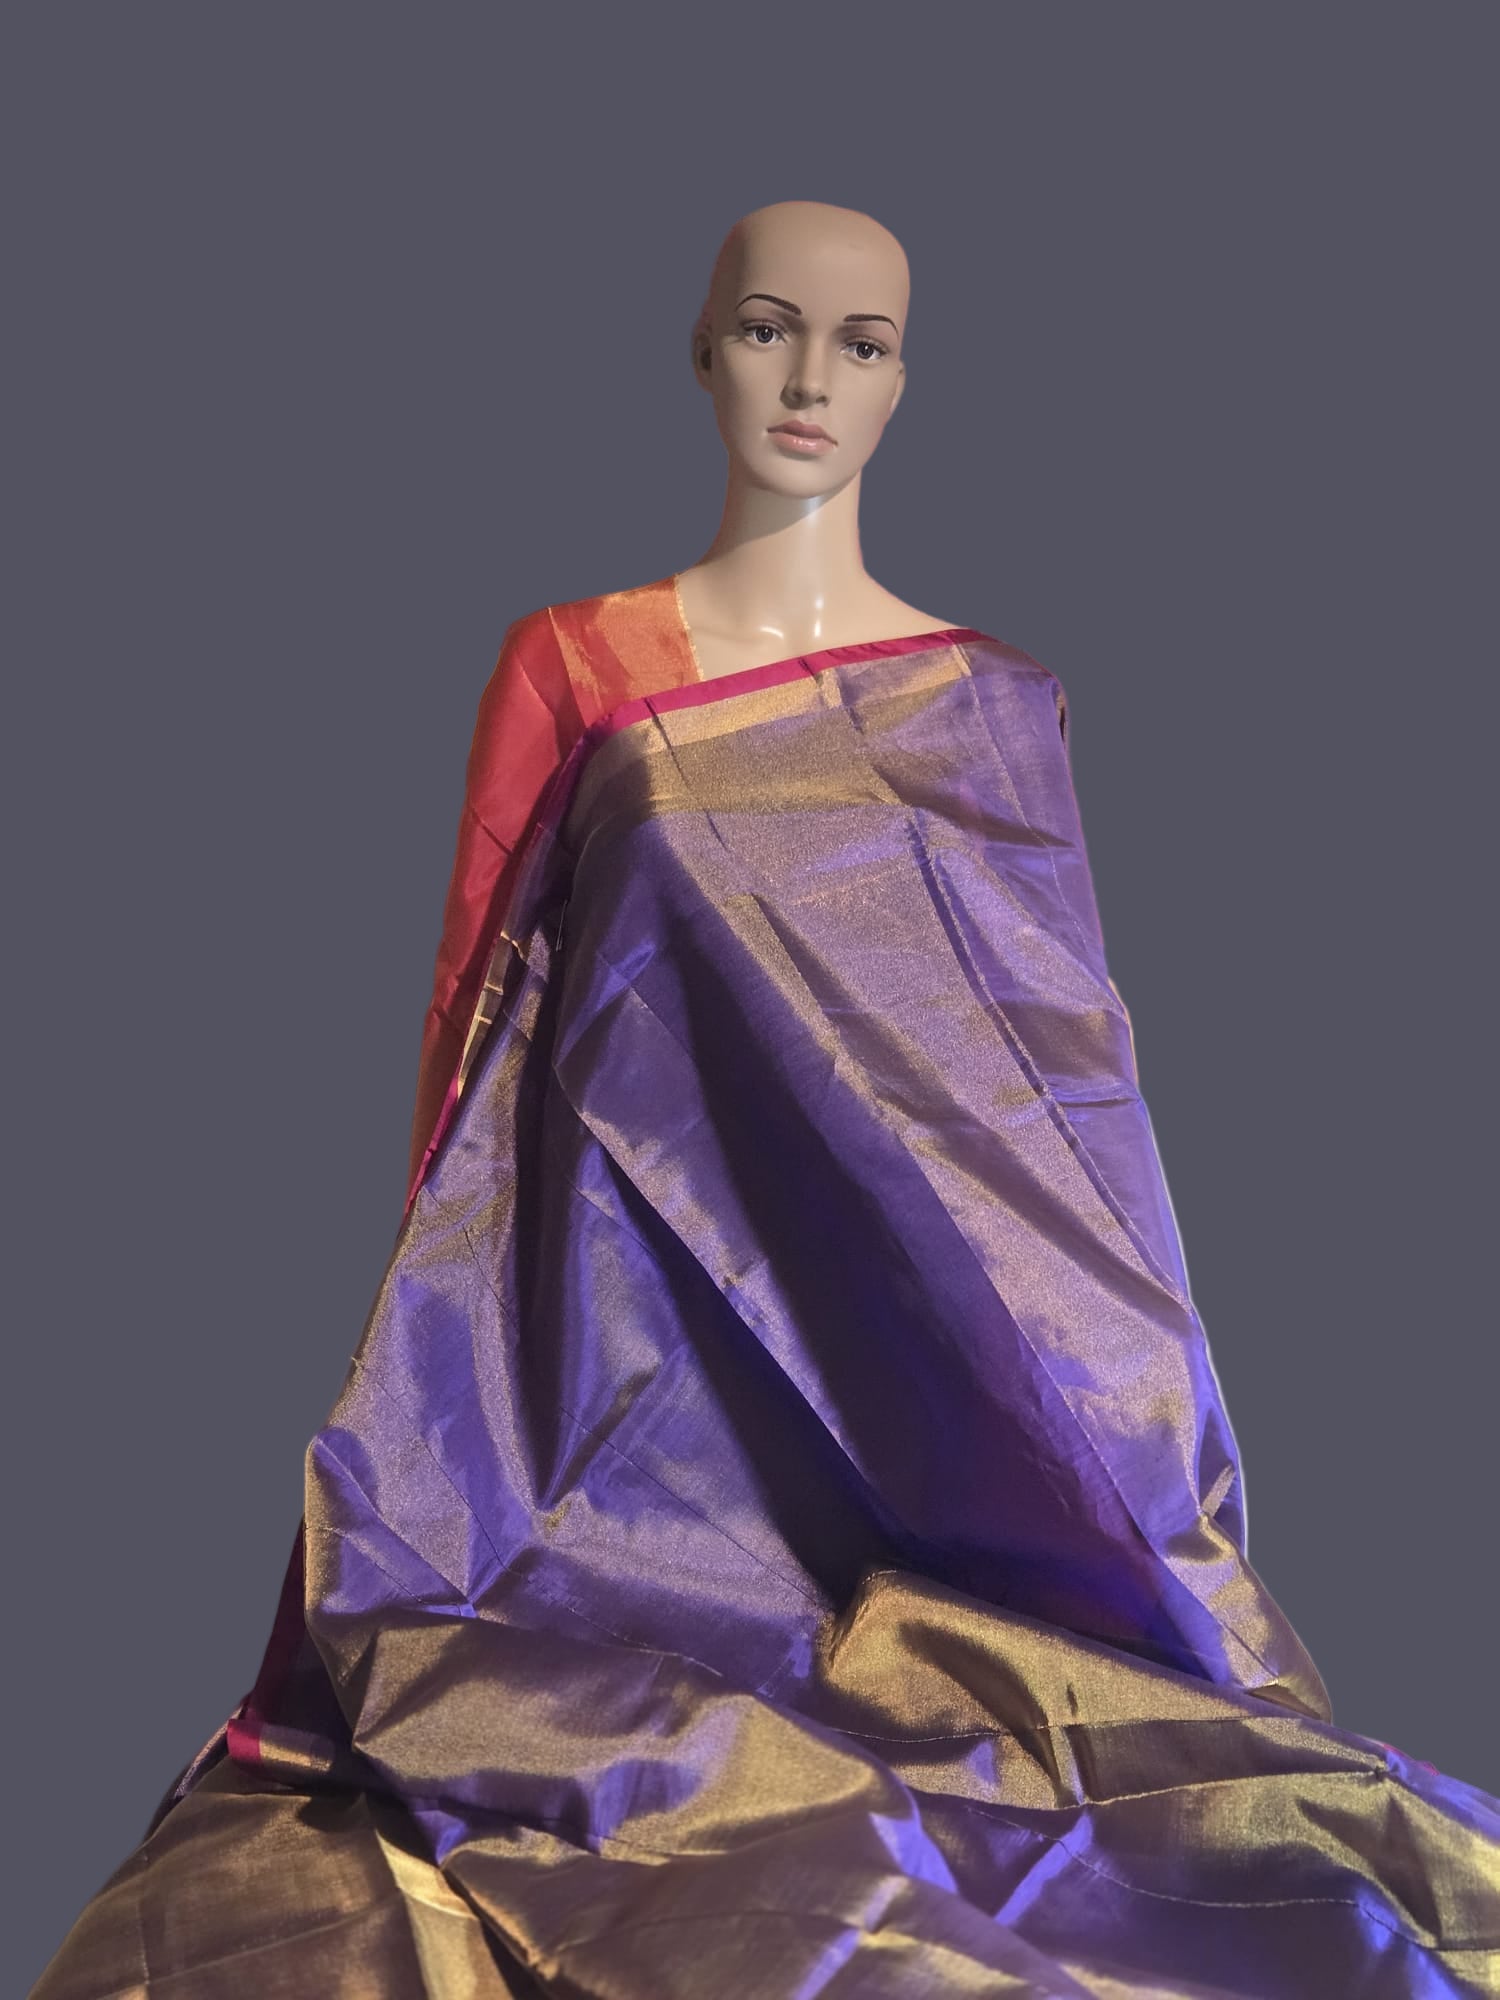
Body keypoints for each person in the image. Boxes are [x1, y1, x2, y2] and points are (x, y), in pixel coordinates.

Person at [35, 201, 1499, 1998]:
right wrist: (450, 1430)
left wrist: (1135, 1447)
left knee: (1213, 1829)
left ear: (902, 384)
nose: (809, 379)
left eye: (859, 344)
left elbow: (1056, 1119)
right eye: (767, 329)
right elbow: (477, 1068)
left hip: (933, 1403)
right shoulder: (578, 665)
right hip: (633, 1417)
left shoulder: (993, 708)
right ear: (703, 347)